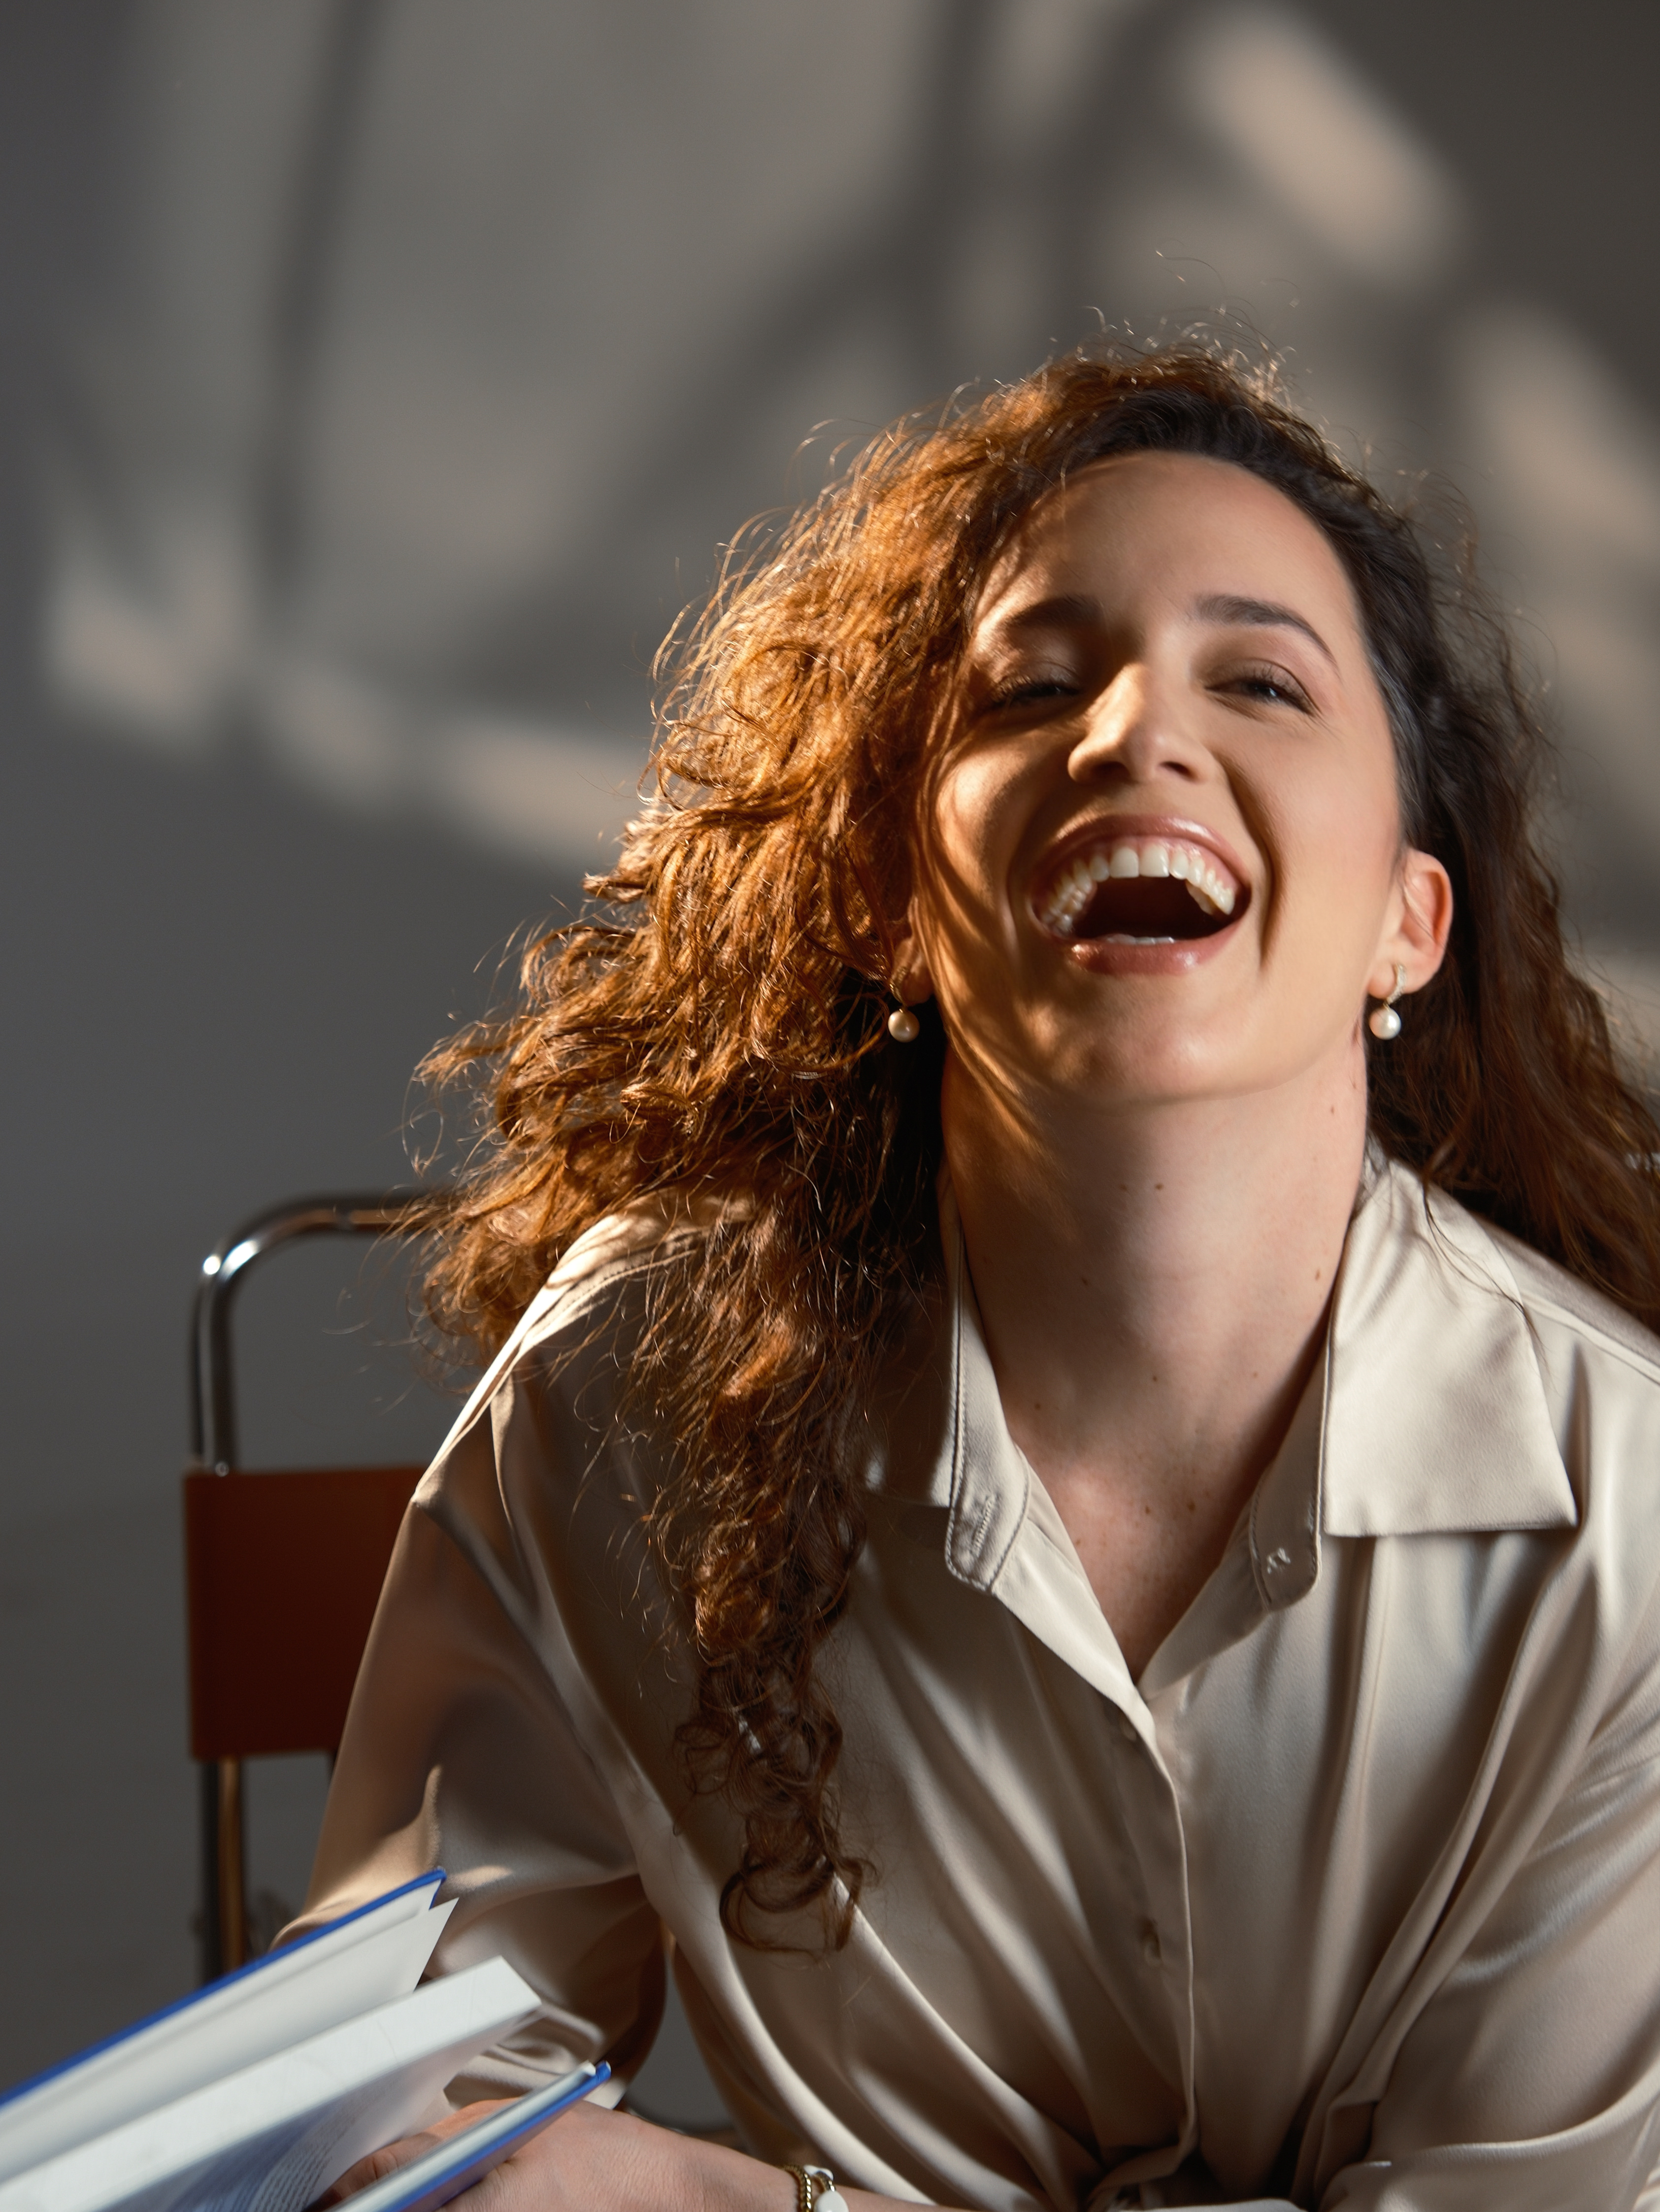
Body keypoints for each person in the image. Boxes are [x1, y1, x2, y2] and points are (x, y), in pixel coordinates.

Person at [302, 343, 1660, 2212]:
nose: (1132, 734)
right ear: (891, 902)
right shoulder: (626, 1395)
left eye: (1260, 680)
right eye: (1031, 685)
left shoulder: (1628, 1513)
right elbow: (400, 2107)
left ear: (1404, 923)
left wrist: (730, 2202)